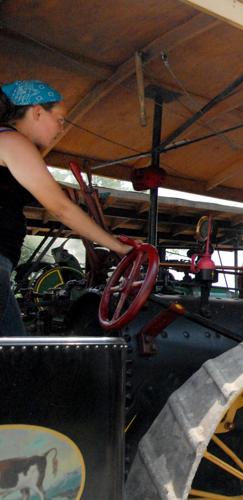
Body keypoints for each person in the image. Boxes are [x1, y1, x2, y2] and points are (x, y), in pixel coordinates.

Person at [0, 79, 131, 335]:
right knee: (14, 360)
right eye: (59, 118)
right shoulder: (13, 141)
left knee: (14, 352)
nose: (61, 128)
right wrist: (118, 246)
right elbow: (60, 208)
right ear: (37, 111)